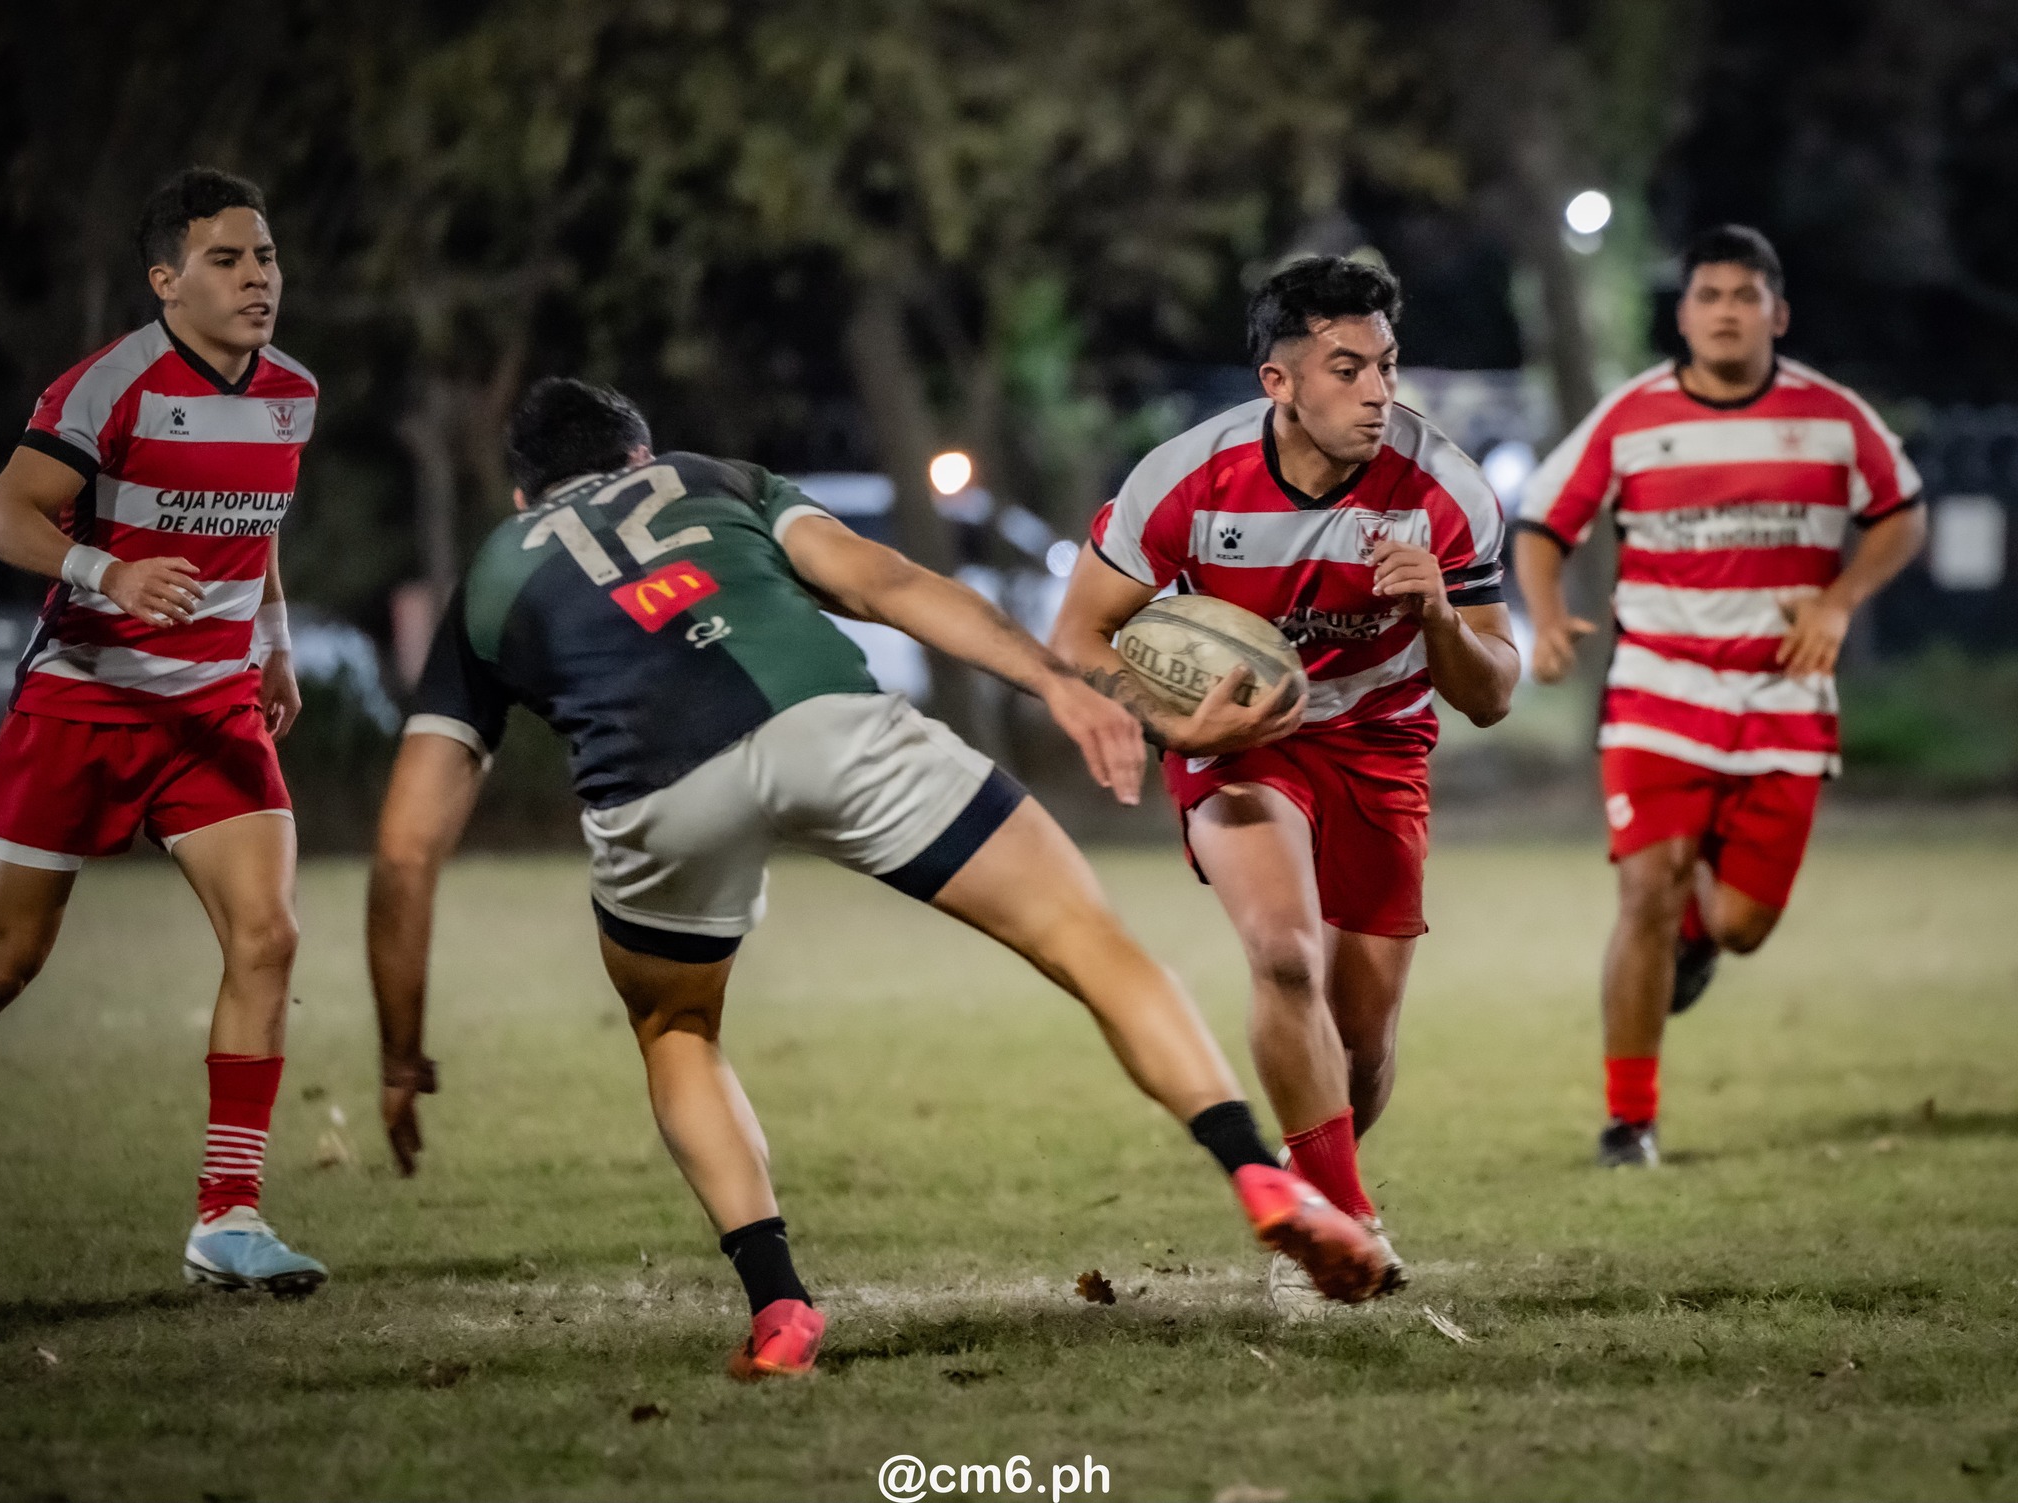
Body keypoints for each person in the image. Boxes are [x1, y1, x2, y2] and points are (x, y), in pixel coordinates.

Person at [368, 377, 1391, 1381]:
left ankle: (777, 1303)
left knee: (675, 1029)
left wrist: (402, 1053)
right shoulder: (709, 478)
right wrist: (1051, 683)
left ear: (519, 498)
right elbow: (885, 585)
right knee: (1087, 939)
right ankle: (1256, 1172)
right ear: (639, 456)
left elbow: (408, 852)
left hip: (651, 793)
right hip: (829, 723)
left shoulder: (491, 580)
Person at [1050, 257, 1518, 1315]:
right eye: (1345, 369)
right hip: (1238, 743)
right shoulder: (1182, 479)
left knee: (1361, 1038)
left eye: (1385, 367)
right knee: (1283, 954)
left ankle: (1317, 1197)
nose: (1375, 392)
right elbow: (1077, 636)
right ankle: (1340, 1226)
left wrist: (1439, 617)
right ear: (1277, 383)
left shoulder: (1443, 489)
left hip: (1381, 742)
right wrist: (1177, 720)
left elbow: (1490, 696)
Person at [0, 168, 324, 1292]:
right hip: (86, 697)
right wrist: (104, 568)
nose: (256, 277)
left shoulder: (294, 392)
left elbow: (258, 521)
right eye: (226, 259)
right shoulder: (107, 387)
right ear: (167, 279)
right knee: (3, 965)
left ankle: (228, 1217)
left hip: (214, 705)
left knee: (267, 939)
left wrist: (271, 637)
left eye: (264, 256)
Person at [1513, 225, 1926, 1168]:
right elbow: (1543, 521)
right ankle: (1630, 1122)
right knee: (1644, 888)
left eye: (1746, 296)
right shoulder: (1630, 417)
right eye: (1709, 296)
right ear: (1685, 313)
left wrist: (1841, 596)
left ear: (1778, 313)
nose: (1727, 312)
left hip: (1785, 700)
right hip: (1659, 691)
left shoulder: (1833, 417)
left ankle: (1699, 933)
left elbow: (1902, 514)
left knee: (1740, 924)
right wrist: (1543, 615)